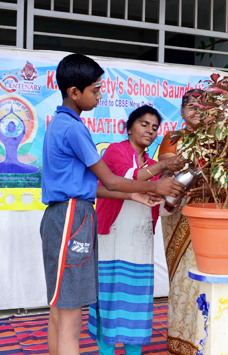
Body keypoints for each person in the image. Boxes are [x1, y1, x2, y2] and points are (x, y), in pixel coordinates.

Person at [40, 53, 184, 355]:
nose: (99, 95)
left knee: (59, 305)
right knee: (70, 315)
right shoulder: (75, 128)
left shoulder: (59, 123)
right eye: (95, 90)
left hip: (62, 216)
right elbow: (111, 181)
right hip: (73, 218)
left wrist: (133, 195)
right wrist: (153, 184)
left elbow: (97, 187)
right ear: (74, 92)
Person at [89, 106, 185, 355]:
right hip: (111, 237)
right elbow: (126, 177)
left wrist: (177, 194)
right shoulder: (115, 151)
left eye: (155, 128)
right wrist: (161, 173)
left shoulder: (153, 165)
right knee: (108, 301)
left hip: (140, 242)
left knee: (136, 305)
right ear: (129, 127)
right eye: (144, 124)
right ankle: (105, 352)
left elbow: (162, 209)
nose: (150, 131)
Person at [157, 89, 207, 355]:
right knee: (181, 279)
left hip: (209, 214)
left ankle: (208, 337)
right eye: (191, 105)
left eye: (203, 106)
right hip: (178, 213)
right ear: (182, 111)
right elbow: (165, 164)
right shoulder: (173, 137)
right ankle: (181, 339)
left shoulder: (220, 140)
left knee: (207, 277)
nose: (197, 110)